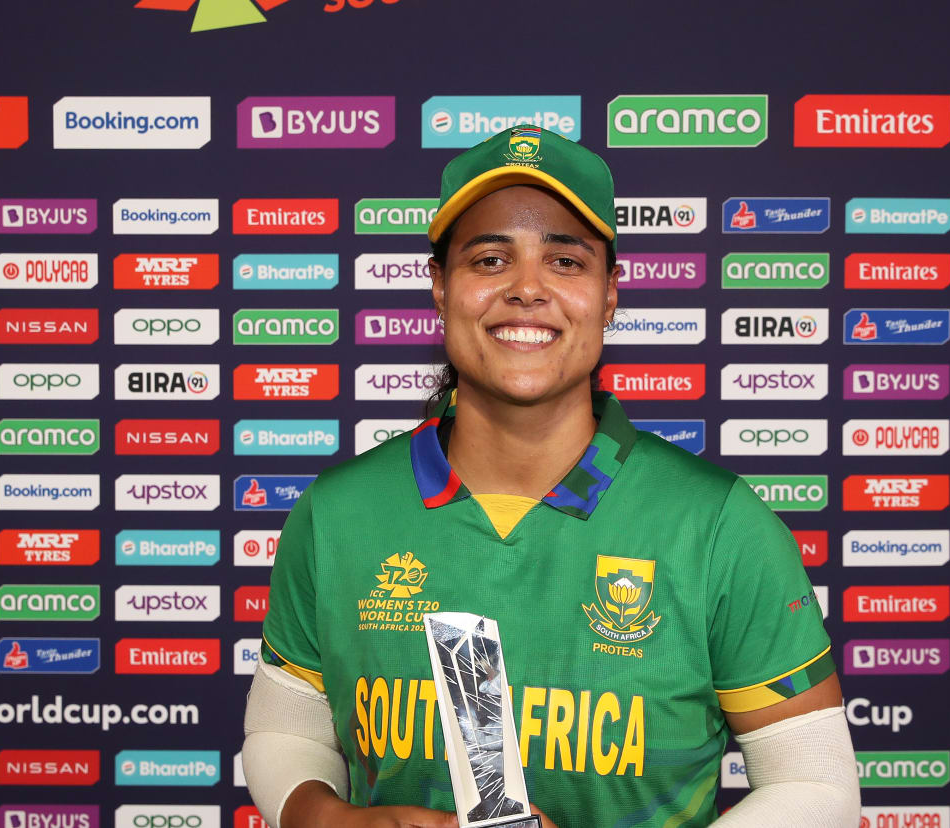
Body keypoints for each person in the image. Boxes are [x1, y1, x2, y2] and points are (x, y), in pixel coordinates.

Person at [240, 125, 862, 828]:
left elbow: (816, 785)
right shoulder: (340, 513)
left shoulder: (717, 524)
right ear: (441, 287)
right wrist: (330, 820)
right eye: (489, 259)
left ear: (609, 295)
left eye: (565, 261)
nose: (527, 289)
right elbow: (285, 731)